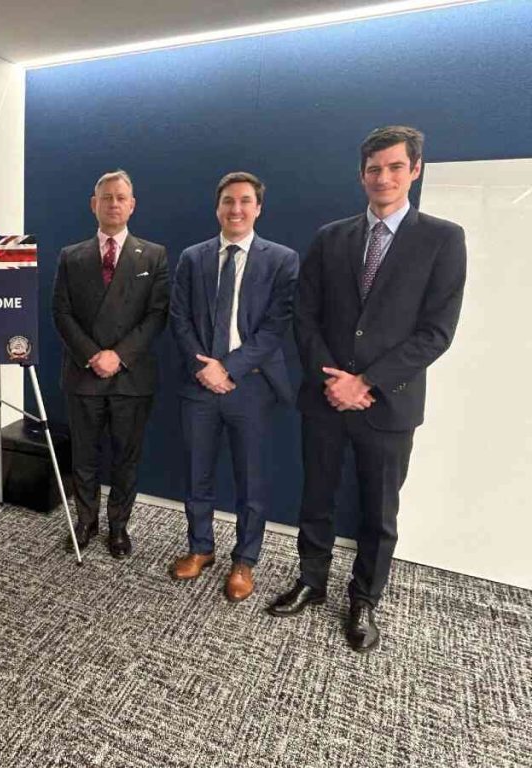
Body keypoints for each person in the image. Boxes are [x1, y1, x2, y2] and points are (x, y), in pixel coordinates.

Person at [268, 126, 467, 652]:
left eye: (395, 167)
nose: (384, 177)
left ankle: (364, 598)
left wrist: (367, 382)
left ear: (414, 170)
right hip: (326, 398)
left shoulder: (443, 239)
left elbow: (437, 332)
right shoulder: (330, 238)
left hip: (389, 404)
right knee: (317, 496)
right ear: (362, 175)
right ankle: (311, 580)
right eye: (375, 169)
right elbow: (304, 315)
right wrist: (333, 381)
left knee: (379, 511)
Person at [169, 172, 299, 600]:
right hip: (199, 383)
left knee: (252, 480)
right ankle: (200, 548)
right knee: (195, 473)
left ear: (258, 208)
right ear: (217, 207)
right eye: (228, 201)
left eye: (245, 201)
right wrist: (204, 368)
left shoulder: (281, 259)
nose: (236, 209)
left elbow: (275, 326)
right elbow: (180, 318)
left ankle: (244, 561)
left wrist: (229, 368)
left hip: (252, 386)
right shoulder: (193, 257)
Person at [51, 170, 170, 558]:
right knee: (83, 455)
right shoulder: (72, 256)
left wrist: (118, 356)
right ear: (94, 204)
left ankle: (119, 526)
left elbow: (156, 315)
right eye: (106, 197)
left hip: (131, 376)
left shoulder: (154, 255)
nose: (114, 204)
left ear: (132, 205)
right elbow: (61, 312)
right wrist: (93, 355)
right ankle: (86, 521)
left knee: (125, 457)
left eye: (121, 197)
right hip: (83, 375)